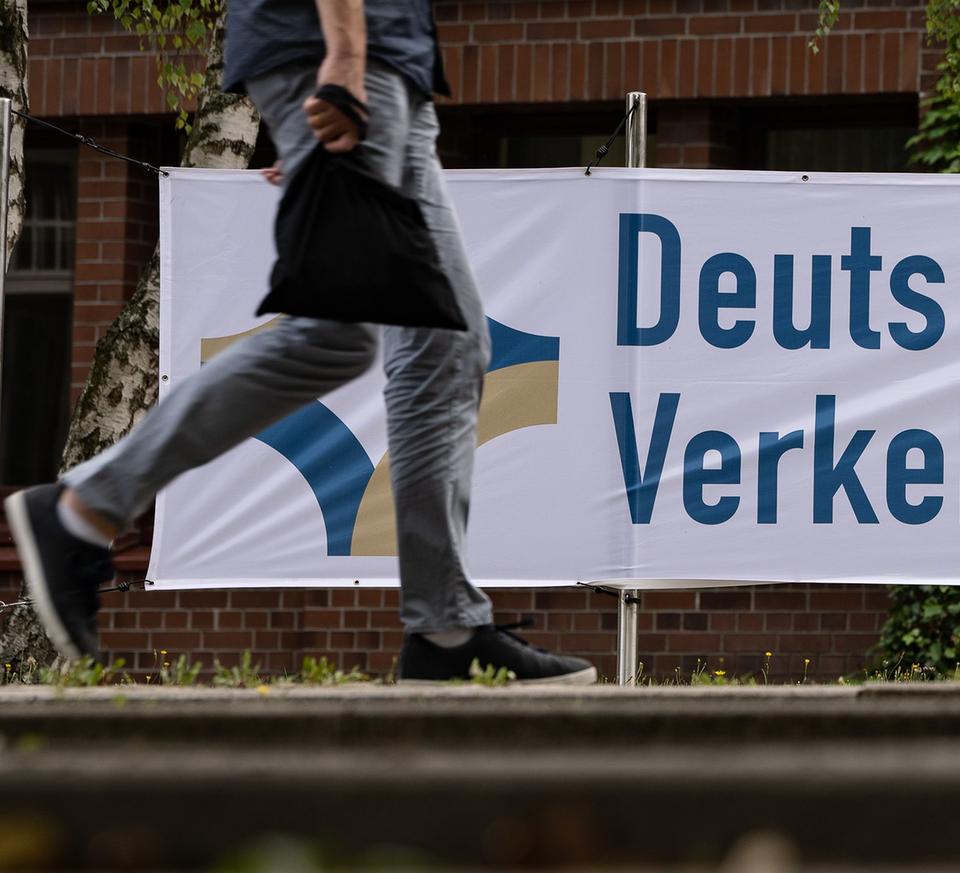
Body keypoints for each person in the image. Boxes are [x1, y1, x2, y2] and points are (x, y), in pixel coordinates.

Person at [4, 0, 595, 684]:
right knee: (335, 335)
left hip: (382, 63)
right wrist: (343, 56)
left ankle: (446, 629)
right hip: (344, 54)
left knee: (445, 341)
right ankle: (85, 507)